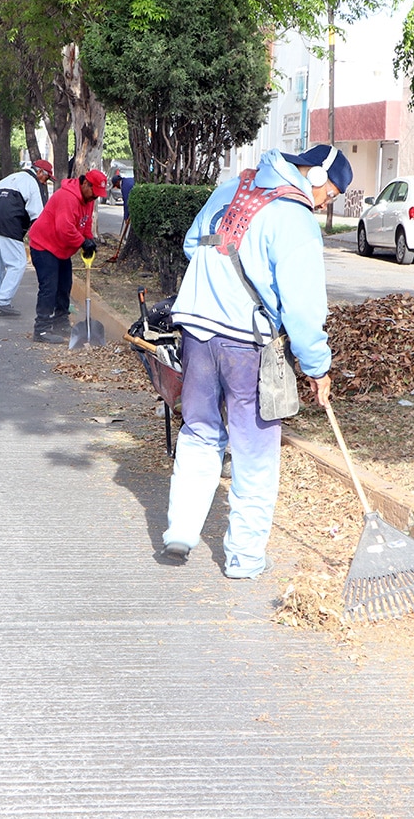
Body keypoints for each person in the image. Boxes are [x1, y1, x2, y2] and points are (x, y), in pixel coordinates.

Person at [159, 144, 351, 579]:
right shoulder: (295, 217)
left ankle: (181, 531)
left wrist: (221, 280)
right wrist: (317, 366)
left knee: (200, 430)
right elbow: (304, 308)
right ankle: (244, 558)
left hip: (196, 330)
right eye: (330, 194)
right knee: (255, 451)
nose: (326, 203)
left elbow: (193, 244)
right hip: (246, 343)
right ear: (316, 176)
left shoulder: (233, 186)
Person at [26, 168, 107, 342]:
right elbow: (65, 229)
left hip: (61, 249)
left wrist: (89, 241)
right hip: (43, 245)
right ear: (85, 184)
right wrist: (82, 242)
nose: (95, 196)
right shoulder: (67, 197)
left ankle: (60, 323)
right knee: (49, 287)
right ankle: (41, 329)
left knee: (64, 285)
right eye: (94, 191)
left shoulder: (89, 199)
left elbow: (86, 223)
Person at [0, 159, 56, 316]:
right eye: (47, 177)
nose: (45, 182)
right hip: (10, 225)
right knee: (18, 263)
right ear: (39, 172)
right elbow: (37, 216)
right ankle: (1, 301)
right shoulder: (33, 184)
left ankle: (0, 300)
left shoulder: (8, 178)